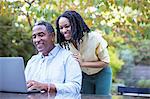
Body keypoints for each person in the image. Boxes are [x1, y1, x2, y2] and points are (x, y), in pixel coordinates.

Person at [56, 10, 112, 95]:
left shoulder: (94, 38)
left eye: (67, 26)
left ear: (76, 25)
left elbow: (105, 62)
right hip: (84, 75)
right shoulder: (65, 45)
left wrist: (83, 63)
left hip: (102, 74)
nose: (64, 31)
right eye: (61, 28)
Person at [25, 21, 82, 94]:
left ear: (52, 36)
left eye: (41, 35)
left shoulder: (68, 57)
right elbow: (24, 85)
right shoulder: (32, 61)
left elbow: (75, 88)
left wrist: (46, 86)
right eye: (34, 37)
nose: (37, 40)